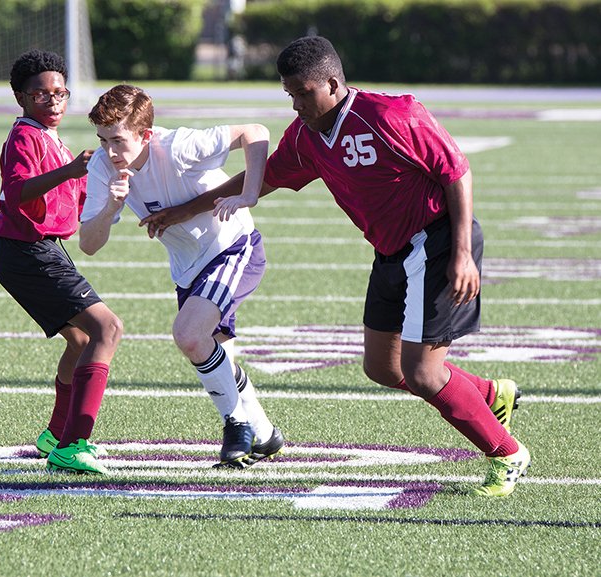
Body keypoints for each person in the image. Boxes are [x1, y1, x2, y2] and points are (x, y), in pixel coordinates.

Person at [141, 36, 530, 497]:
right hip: (391, 253)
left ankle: (506, 453)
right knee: (383, 369)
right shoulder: (306, 138)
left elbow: (455, 171)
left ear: (332, 82)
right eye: (289, 94)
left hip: (438, 242)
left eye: (303, 92)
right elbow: (259, 179)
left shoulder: (392, 114)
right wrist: (186, 209)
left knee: (423, 373)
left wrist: (463, 252)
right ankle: (487, 396)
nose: (296, 103)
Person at [80, 84, 284, 468]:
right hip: (189, 266)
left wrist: (249, 193)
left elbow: (256, 132)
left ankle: (235, 424)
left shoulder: (178, 146)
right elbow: (89, 243)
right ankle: (265, 433)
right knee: (213, 350)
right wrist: (111, 205)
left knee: (189, 335)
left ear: (146, 134)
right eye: (102, 140)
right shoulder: (102, 167)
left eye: (118, 140)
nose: (109, 151)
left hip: (232, 246)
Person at [0, 49, 123, 475]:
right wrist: (70, 172)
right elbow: (19, 191)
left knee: (82, 341)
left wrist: (114, 196)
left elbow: (78, 201)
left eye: (60, 93)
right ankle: (73, 444)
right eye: (41, 94)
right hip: (26, 251)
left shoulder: (51, 138)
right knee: (107, 328)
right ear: (21, 98)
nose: (53, 100)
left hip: (33, 252)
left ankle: (55, 435)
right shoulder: (25, 136)